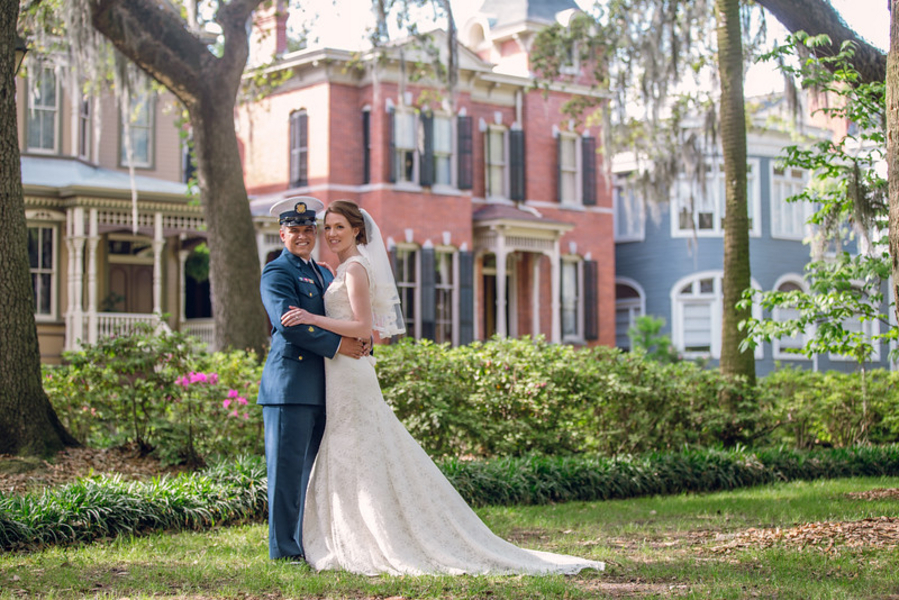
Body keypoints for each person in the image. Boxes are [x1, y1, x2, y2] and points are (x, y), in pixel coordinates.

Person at [280, 200, 605, 575]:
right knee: (354, 445)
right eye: (328, 228)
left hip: (350, 372)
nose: (331, 234)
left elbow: (362, 327)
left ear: (357, 230)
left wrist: (310, 316)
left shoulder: (354, 268)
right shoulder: (338, 270)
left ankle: (373, 535)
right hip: (340, 371)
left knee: (358, 443)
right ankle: (352, 530)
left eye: (339, 227)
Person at [258, 196, 367, 562]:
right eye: (296, 230)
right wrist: (339, 346)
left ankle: (308, 543)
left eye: (309, 230)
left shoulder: (322, 272)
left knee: (312, 475)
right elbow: (291, 327)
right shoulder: (277, 272)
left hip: (324, 387)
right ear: (282, 233)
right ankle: (283, 550)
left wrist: (359, 342)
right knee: (287, 474)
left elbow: (342, 313)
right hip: (289, 387)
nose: (303, 236)